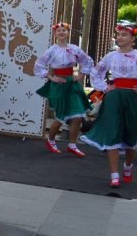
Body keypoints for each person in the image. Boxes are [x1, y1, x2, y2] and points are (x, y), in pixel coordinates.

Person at [81, 24, 137, 188]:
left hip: (133, 98)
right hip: (114, 97)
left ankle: (128, 165)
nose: (119, 38)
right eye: (118, 35)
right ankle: (114, 175)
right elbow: (96, 72)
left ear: (133, 39)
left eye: (124, 35)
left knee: (130, 134)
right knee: (112, 131)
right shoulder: (111, 56)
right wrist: (105, 88)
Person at [34, 23, 95, 157]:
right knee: (61, 116)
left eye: (64, 30)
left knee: (78, 115)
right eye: (59, 31)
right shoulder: (52, 50)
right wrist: (51, 77)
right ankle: (50, 140)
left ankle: (72, 144)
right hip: (59, 84)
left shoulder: (74, 49)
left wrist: (80, 75)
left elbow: (87, 60)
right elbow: (39, 65)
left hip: (71, 83)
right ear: (55, 34)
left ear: (68, 33)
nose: (61, 32)